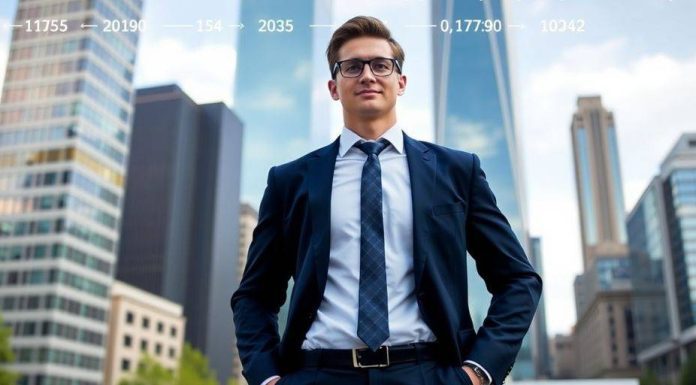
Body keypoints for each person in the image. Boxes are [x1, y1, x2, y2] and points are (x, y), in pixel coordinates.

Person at [231, 15, 542, 385]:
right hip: (318, 373)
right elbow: (255, 295)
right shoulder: (289, 180)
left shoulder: (458, 171)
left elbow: (518, 280)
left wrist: (477, 372)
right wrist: (267, 378)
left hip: (428, 373)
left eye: (381, 65)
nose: (367, 75)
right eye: (352, 67)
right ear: (333, 87)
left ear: (401, 81)